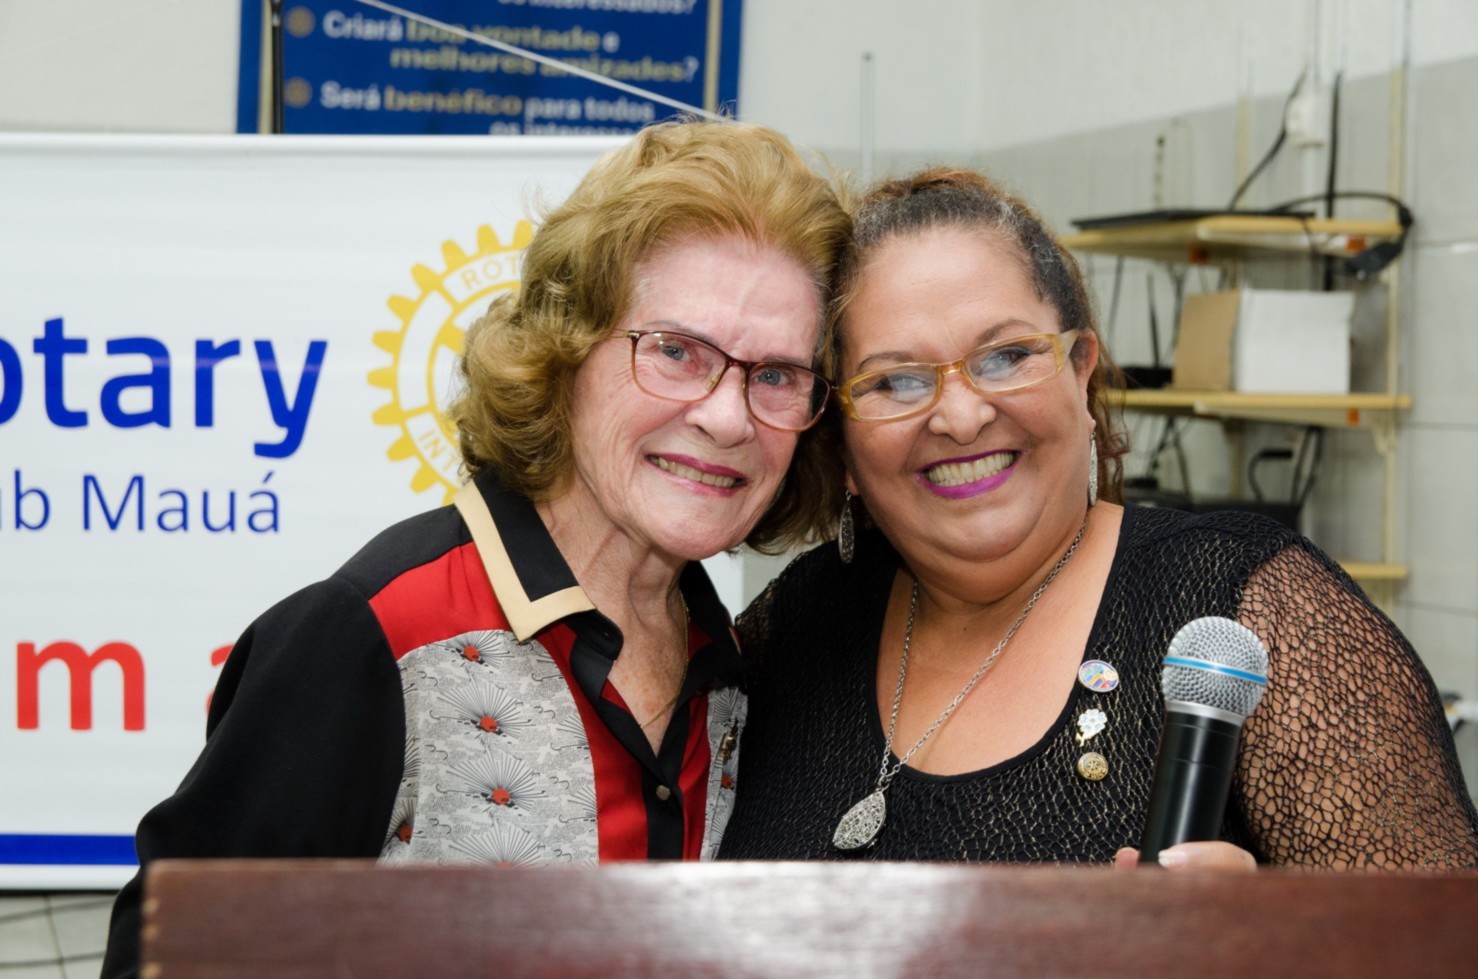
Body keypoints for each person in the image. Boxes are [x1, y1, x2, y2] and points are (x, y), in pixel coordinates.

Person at [101, 120, 851, 977]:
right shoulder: (373, 637)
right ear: (567, 352)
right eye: (676, 351)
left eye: (776, 375)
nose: (726, 417)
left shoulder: (741, 669)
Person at [718, 167, 1478, 869]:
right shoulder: (794, 629)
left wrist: (1274, 943)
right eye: (895, 381)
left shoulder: (1252, 611)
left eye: (1006, 356)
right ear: (841, 441)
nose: (961, 415)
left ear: (1082, 372)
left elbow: (1442, 938)